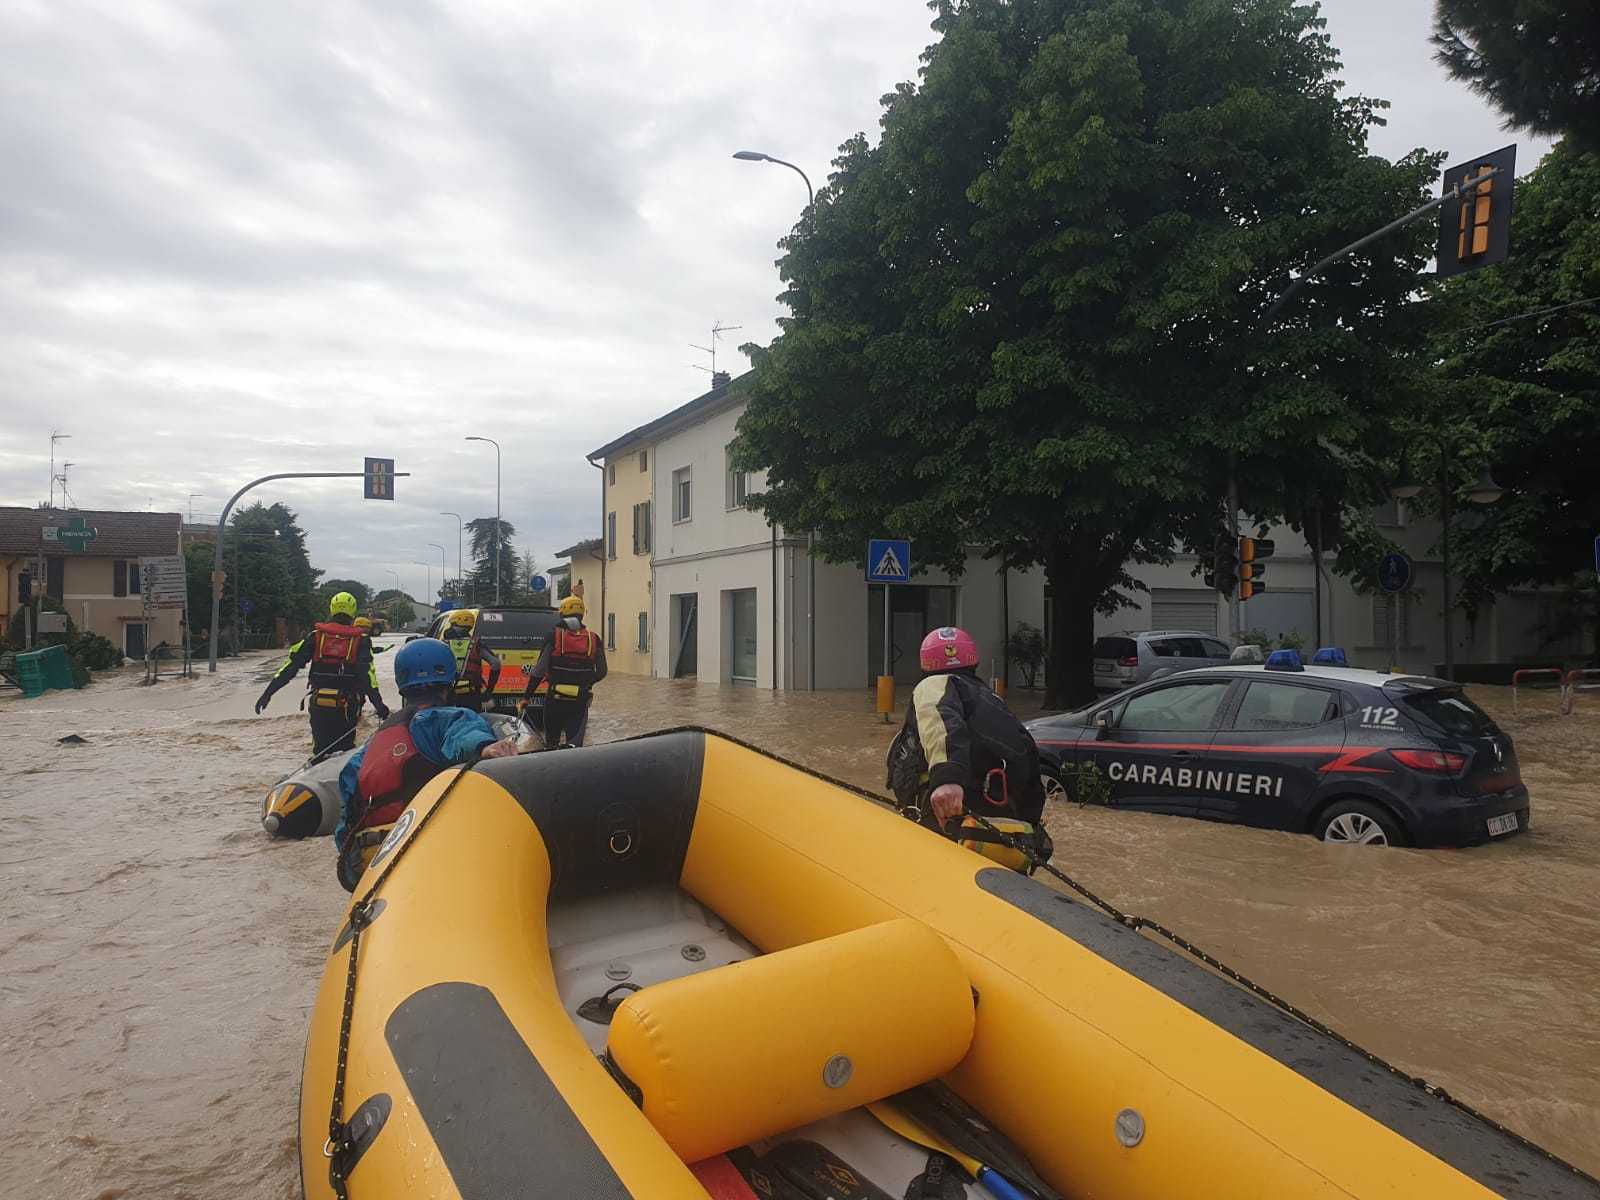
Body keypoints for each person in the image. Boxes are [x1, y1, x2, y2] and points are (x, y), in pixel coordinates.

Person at [334, 637, 519, 891]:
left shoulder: (371, 745)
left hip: (375, 855)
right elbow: (461, 737)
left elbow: (346, 818)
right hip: (426, 847)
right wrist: (485, 747)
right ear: (449, 682)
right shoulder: (452, 717)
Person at [887, 626, 1046, 831]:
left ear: (925, 662)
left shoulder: (932, 685)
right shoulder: (991, 698)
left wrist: (947, 779)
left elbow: (942, 724)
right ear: (973, 660)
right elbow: (1028, 753)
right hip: (1005, 819)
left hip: (949, 810)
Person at [255, 591, 389, 757]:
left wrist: (268, 694)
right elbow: (368, 677)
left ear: (332, 609)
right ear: (353, 611)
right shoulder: (361, 640)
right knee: (344, 752)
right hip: (347, 705)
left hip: (319, 703)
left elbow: (290, 666)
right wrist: (380, 706)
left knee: (320, 751)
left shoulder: (315, 636)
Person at [524, 595, 607, 747]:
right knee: (575, 745)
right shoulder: (594, 638)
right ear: (582, 615)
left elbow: (539, 671)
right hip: (580, 699)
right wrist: (586, 683)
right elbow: (602, 672)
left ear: (561, 614)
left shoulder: (553, 636)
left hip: (555, 699)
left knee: (551, 743)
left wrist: (526, 697)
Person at [441, 609, 502, 713]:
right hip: (471, 694)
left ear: (453, 623)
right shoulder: (476, 644)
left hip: (447, 693)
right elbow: (496, 664)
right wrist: (489, 691)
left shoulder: (442, 644)